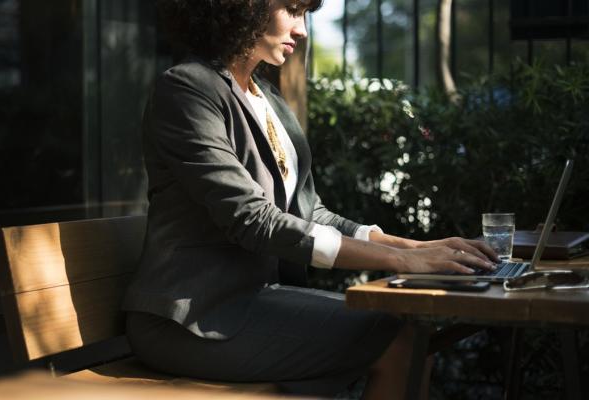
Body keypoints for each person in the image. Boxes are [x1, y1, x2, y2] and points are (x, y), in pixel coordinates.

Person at [122, 0, 499, 397]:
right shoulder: (188, 89)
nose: (302, 30)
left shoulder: (265, 97)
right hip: (190, 318)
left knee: (409, 329)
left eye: (305, 14)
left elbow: (308, 211)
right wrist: (403, 261)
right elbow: (253, 219)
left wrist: (414, 246)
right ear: (243, 6)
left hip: (251, 302)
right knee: (398, 338)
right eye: (291, 8)